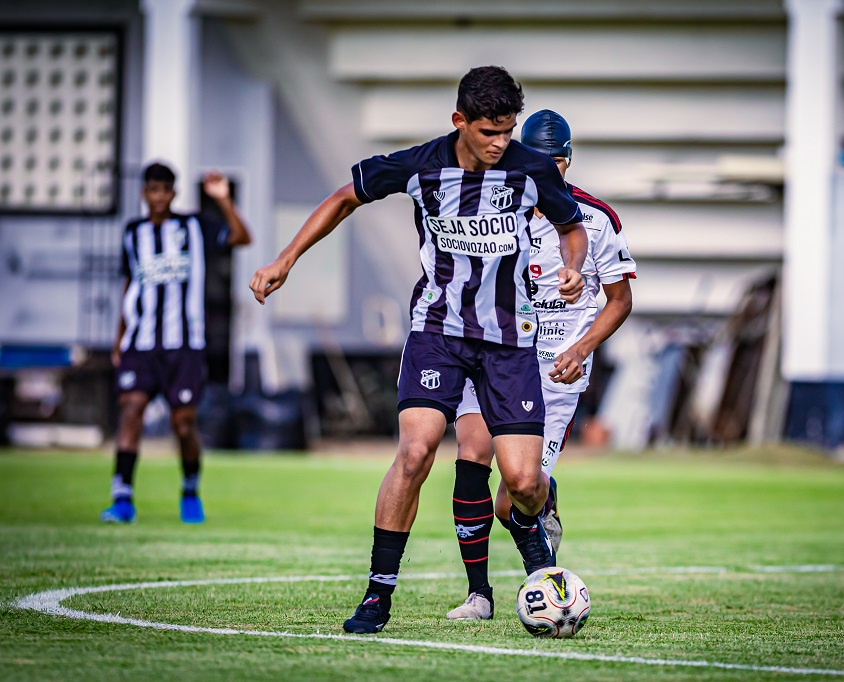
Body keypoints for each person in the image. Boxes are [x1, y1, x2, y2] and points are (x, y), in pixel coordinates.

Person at [248, 66, 589, 634]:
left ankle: (533, 547)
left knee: (525, 484)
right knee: (416, 452)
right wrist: (286, 259)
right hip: (438, 333)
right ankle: (378, 595)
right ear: (460, 122)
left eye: (508, 130)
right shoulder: (420, 166)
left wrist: (573, 268)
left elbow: (570, 226)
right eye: (490, 132)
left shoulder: (530, 168)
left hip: (509, 342)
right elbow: (343, 197)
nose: (501, 143)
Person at [446, 109, 636, 621]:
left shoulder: (595, 219)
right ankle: (480, 595)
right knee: (472, 451)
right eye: (537, 162)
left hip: (557, 371)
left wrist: (580, 350)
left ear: (568, 162)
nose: (548, 172)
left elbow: (619, 300)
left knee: (516, 498)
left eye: (557, 163)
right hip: (492, 356)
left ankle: (542, 506)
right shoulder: (489, 206)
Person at [100, 162, 252, 525]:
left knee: (183, 424)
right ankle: (122, 498)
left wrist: (224, 201)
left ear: (173, 192)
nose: (158, 197)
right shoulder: (132, 233)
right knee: (131, 410)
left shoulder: (195, 226)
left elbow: (242, 238)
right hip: (141, 343)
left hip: (184, 345)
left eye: (164, 189)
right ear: (143, 192)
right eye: (152, 189)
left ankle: (189, 489)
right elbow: (129, 287)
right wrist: (120, 338)